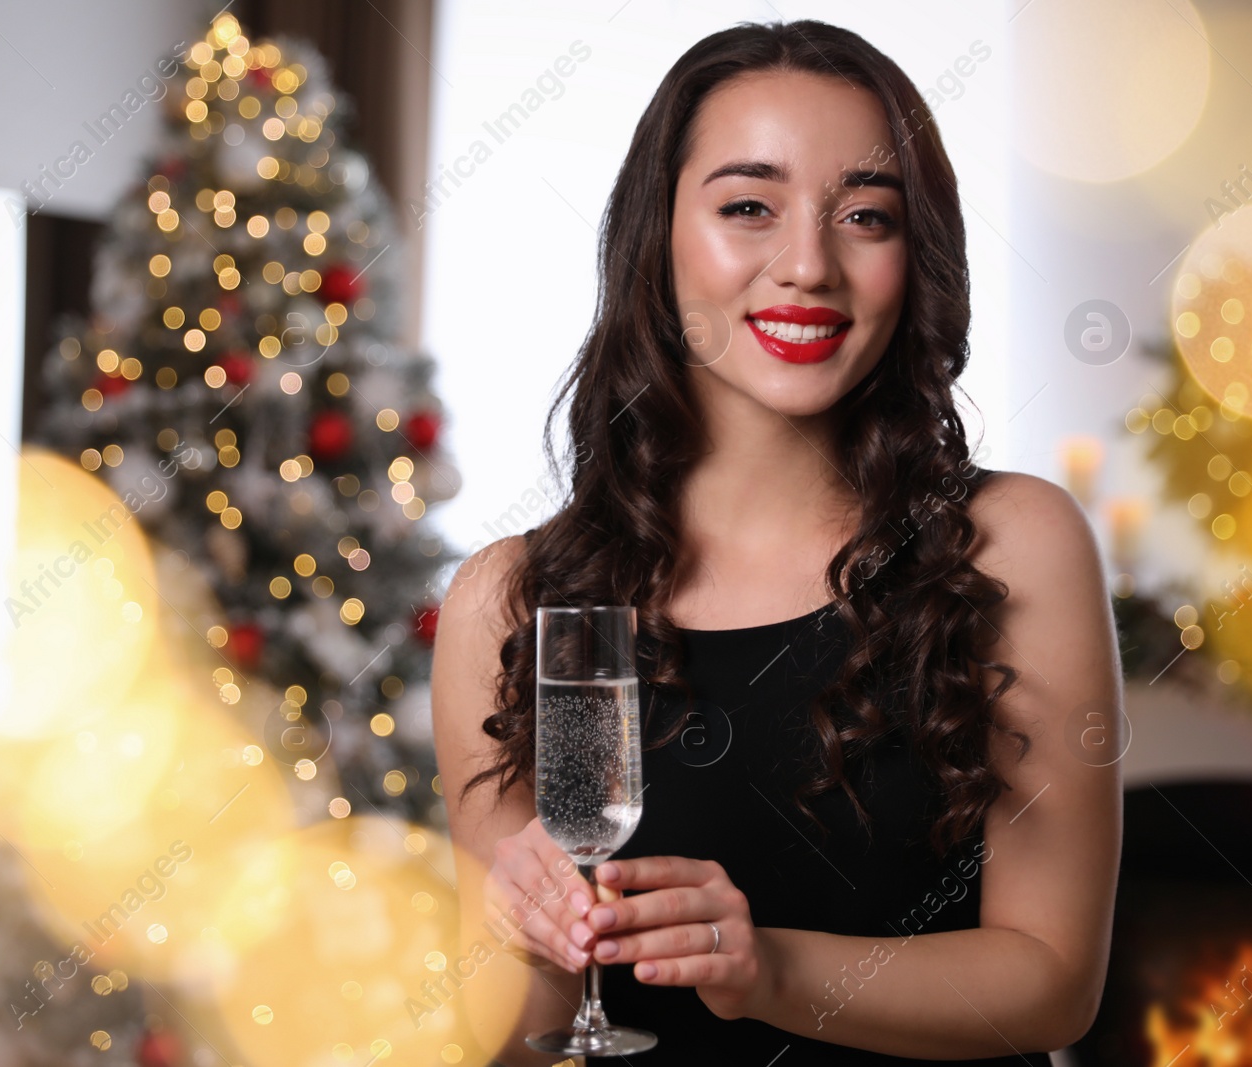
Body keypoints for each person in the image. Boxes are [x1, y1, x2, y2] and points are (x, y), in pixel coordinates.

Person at [429, 17, 1121, 1066]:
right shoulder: (514, 596)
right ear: (654, 239)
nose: (807, 263)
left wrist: (768, 973)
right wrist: (519, 928)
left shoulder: (1008, 546)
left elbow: (1052, 979)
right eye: (748, 206)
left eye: (865, 216)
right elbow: (525, 1026)